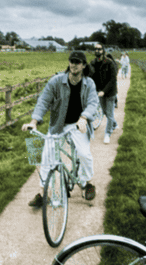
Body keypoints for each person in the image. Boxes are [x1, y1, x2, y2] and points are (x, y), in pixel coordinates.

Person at [22, 50, 98, 207]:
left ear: (83, 65)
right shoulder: (56, 81)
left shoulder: (89, 83)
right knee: (46, 157)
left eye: (77, 62)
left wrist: (84, 118)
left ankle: (88, 182)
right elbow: (43, 101)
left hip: (78, 125)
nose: (74, 64)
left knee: (84, 154)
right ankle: (43, 194)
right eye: (72, 61)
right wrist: (34, 121)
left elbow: (93, 103)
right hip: (58, 125)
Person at [89, 43, 118, 144]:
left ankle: (107, 134)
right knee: (105, 112)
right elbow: (90, 76)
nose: (97, 51)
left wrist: (104, 91)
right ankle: (114, 124)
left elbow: (112, 79)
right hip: (99, 91)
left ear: (103, 50)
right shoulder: (92, 63)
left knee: (109, 113)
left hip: (110, 92)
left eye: (99, 49)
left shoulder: (109, 63)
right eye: (96, 49)